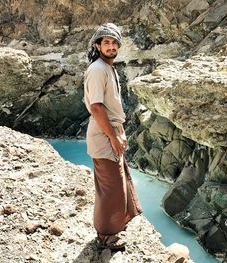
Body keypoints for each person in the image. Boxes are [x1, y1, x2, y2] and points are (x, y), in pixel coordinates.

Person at [84, 23, 143, 250]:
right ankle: (106, 236)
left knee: (118, 183)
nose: (110, 46)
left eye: (114, 42)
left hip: (110, 131)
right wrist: (113, 136)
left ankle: (114, 226)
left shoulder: (108, 68)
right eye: (106, 42)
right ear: (98, 45)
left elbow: (111, 107)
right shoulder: (98, 69)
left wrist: (120, 132)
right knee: (110, 188)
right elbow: (97, 107)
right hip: (103, 134)